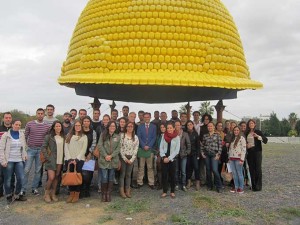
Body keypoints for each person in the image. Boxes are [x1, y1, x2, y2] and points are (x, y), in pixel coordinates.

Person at [22, 108, 50, 196]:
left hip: (40, 151)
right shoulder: (30, 124)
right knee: (26, 170)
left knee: (38, 170)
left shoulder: (46, 126)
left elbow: (47, 138)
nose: (40, 115)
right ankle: (23, 189)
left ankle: (34, 188)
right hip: (30, 149)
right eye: (39, 113)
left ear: (44, 114)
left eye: (42, 113)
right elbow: (25, 136)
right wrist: (24, 149)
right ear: (36, 114)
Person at [0, 119, 27, 204]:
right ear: (12, 125)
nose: (18, 126)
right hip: (9, 160)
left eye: (19, 125)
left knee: (21, 178)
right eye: (16, 124)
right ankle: (8, 195)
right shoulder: (5, 135)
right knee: (8, 179)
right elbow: (1, 149)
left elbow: (24, 147)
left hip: (19, 160)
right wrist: (3, 160)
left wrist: (25, 155)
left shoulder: (22, 134)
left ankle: (17, 194)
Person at [41, 121, 65, 202]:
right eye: (57, 126)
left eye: (60, 126)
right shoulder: (49, 136)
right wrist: (48, 157)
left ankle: (53, 193)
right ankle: (46, 194)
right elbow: (43, 147)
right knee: (51, 177)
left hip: (60, 160)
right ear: (54, 127)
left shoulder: (63, 137)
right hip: (51, 159)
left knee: (56, 177)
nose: (58, 127)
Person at [64, 120, 87, 203]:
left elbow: (83, 149)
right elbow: (66, 148)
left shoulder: (84, 136)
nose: (77, 127)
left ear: (81, 127)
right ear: (74, 126)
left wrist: (77, 159)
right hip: (69, 160)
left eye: (79, 125)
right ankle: (71, 194)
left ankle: (77, 194)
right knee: (70, 177)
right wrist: (70, 159)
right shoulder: (69, 135)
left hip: (79, 160)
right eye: (76, 125)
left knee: (77, 177)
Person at [98, 121, 120, 202]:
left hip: (113, 160)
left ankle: (108, 193)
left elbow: (118, 148)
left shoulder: (118, 137)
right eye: (111, 126)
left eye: (114, 126)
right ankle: (103, 194)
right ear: (108, 127)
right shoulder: (103, 135)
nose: (112, 127)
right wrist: (106, 155)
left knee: (111, 177)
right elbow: (100, 146)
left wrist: (111, 156)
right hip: (104, 160)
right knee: (104, 177)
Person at [245, 119, 268, 192]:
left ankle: (258, 186)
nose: (251, 124)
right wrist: (246, 145)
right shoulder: (246, 132)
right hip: (250, 153)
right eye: (249, 123)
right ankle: (253, 185)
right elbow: (244, 142)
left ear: (255, 124)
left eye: (252, 123)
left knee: (258, 169)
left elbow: (265, 140)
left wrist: (258, 136)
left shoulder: (258, 132)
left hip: (257, 152)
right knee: (251, 169)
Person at [160, 122, 180, 198]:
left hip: (172, 159)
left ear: (174, 128)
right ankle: (165, 191)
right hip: (164, 158)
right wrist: (163, 157)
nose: (169, 129)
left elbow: (177, 150)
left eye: (170, 128)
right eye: (167, 128)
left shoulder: (177, 137)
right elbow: (161, 147)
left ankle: (172, 191)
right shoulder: (163, 136)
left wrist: (169, 158)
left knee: (172, 175)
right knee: (164, 175)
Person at [201, 122, 223, 193]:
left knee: (215, 170)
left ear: (214, 127)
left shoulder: (217, 135)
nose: (210, 127)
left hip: (214, 155)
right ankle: (209, 185)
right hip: (207, 155)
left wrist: (218, 154)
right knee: (208, 170)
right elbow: (202, 145)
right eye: (208, 126)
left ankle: (219, 186)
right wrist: (202, 153)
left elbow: (220, 146)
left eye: (211, 126)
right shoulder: (205, 136)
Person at [119, 122, 139, 198]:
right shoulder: (122, 136)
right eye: (128, 126)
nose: (130, 128)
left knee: (128, 174)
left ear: (133, 128)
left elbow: (136, 149)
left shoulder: (136, 137)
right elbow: (120, 147)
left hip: (131, 158)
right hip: (123, 157)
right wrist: (124, 158)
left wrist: (132, 159)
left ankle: (127, 190)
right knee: (122, 174)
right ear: (126, 127)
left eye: (131, 126)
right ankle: (121, 190)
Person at [137, 112, 156, 189]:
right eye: (145, 117)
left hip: (150, 150)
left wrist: (149, 146)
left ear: (150, 117)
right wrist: (143, 145)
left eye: (148, 117)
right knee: (141, 167)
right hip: (142, 149)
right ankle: (139, 182)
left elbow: (154, 137)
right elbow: (138, 137)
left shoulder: (154, 126)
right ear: (143, 118)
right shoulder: (140, 126)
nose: (146, 118)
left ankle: (151, 182)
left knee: (150, 167)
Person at [81, 116, 97, 198]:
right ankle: (80, 190)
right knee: (81, 173)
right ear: (82, 122)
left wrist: (90, 153)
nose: (86, 122)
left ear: (90, 122)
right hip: (80, 155)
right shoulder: (79, 131)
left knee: (89, 174)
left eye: (88, 121)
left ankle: (87, 190)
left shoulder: (93, 132)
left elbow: (94, 143)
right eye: (85, 121)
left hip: (90, 155)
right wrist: (82, 154)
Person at [228, 126, 246, 194]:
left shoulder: (242, 139)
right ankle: (236, 186)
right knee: (234, 174)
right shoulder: (232, 138)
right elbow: (230, 149)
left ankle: (241, 188)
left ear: (239, 131)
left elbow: (244, 150)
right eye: (235, 130)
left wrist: (242, 159)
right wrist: (229, 158)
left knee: (239, 173)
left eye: (237, 130)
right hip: (232, 158)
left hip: (238, 158)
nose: (236, 131)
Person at [174, 120, 191, 191]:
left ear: (181, 126)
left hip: (183, 155)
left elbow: (189, 145)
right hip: (175, 155)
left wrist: (187, 153)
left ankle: (183, 184)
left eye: (178, 125)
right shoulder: (173, 133)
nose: (177, 126)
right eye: (176, 125)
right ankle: (177, 184)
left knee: (183, 171)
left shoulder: (185, 134)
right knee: (176, 170)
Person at [0, 112, 13, 198]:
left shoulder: (14, 128)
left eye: (9, 118)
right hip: (1, 153)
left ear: (11, 119)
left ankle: (11, 192)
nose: (8, 119)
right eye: (6, 117)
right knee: (1, 175)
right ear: (3, 119)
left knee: (11, 175)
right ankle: (0, 192)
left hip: (11, 154)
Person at [185, 120, 201, 190]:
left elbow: (198, 146)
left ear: (192, 125)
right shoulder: (185, 133)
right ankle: (189, 182)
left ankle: (197, 182)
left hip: (195, 154)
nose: (189, 126)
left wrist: (198, 155)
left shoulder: (196, 134)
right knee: (188, 168)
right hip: (188, 154)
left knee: (196, 168)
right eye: (188, 125)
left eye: (190, 124)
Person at [199, 113, 213, 185]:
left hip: (211, 149)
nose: (206, 120)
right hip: (202, 148)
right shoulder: (201, 127)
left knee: (209, 166)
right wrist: (201, 144)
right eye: (204, 119)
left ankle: (209, 180)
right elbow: (199, 137)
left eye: (207, 119)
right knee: (202, 166)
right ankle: (203, 180)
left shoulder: (212, 127)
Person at [155, 123, 167, 190]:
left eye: (164, 127)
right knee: (159, 169)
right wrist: (157, 153)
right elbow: (156, 145)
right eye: (161, 127)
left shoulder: (168, 135)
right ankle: (160, 183)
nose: (162, 128)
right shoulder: (158, 136)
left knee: (165, 170)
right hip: (159, 154)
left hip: (166, 154)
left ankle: (166, 183)